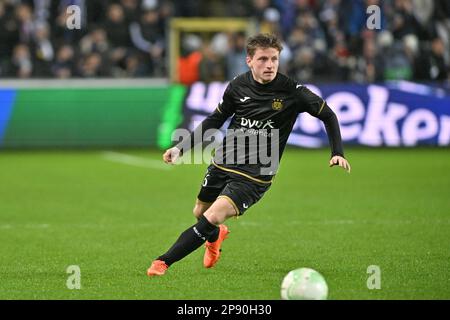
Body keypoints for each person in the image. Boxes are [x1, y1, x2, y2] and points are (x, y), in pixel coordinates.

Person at [147, 33, 351, 276]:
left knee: (212, 215)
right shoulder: (237, 86)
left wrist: (337, 152)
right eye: (263, 59)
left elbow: (328, 115)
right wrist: (181, 147)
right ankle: (216, 236)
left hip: (256, 175)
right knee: (200, 213)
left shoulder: (292, 91)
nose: (270, 65)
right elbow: (215, 119)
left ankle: (163, 261)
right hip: (223, 162)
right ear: (249, 61)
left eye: (274, 59)